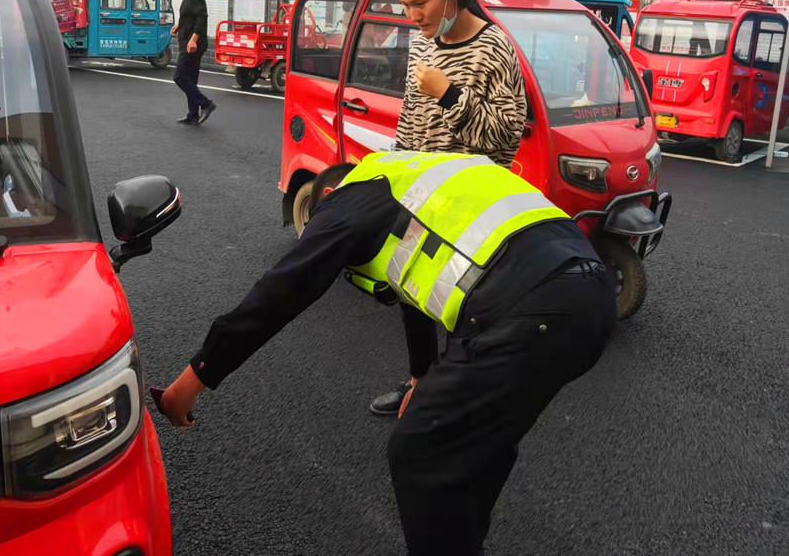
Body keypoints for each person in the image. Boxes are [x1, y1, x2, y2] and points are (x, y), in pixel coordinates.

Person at [156, 150, 614, 556]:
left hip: (529, 308)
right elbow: (412, 288)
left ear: (330, 192)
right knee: (477, 438)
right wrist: (421, 376)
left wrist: (193, 379)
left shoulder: (352, 197)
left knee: (420, 450)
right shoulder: (410, 179)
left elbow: (282, 290)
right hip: (588, 294)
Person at [370, 0, 529, 417]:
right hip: (421, 195)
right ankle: (420, 383)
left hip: (470, 203)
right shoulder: (421, 42)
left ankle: (459, 398)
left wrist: (449, 93)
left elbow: (505, 138)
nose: (413, 16)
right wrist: (395, 178)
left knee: (465, 306)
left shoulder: (493, 47)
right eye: (406, 6)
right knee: (412, 294)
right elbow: (411, 118)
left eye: (421, 4)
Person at [171, 0, 216, 125]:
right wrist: (179, 25)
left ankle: (206, 104)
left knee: (180, 76)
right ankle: (193, 114)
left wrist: (193, 40)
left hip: (192, 45)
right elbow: (191, 16)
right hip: (188, 41)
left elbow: (202, 18)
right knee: (190, 78)